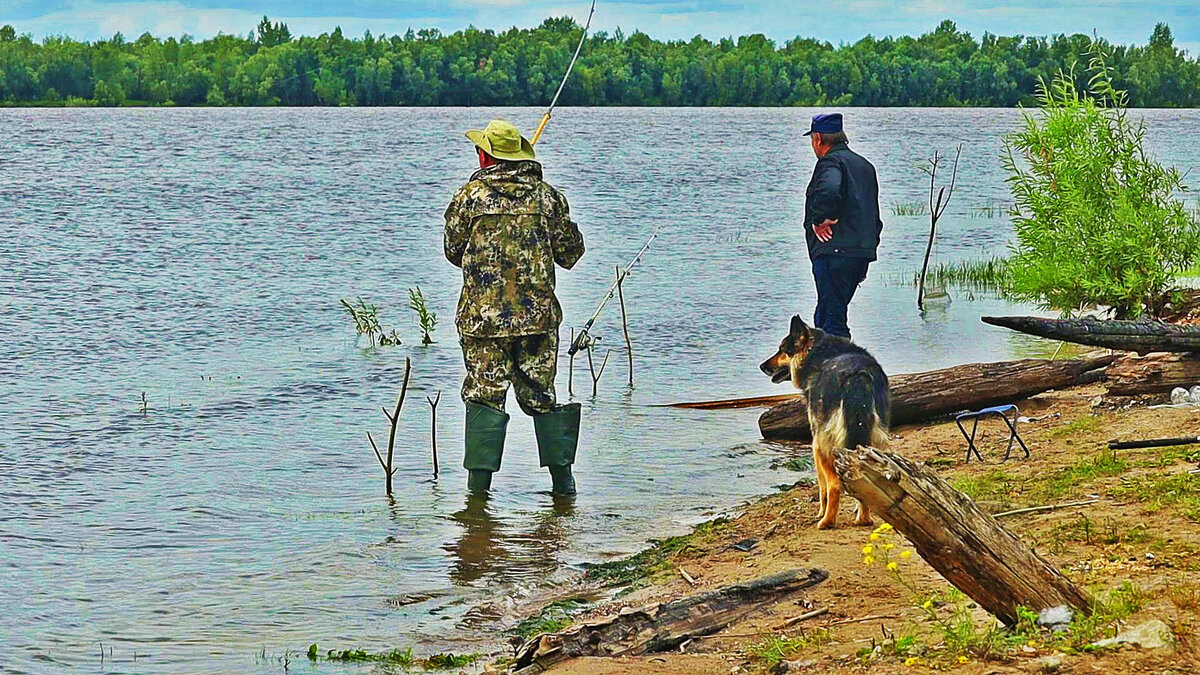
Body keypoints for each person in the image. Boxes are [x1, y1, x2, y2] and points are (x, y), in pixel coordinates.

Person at [444, 119, 585, 496]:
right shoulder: (548, 198)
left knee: (484, 400)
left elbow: (452, 253)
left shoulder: (467, 197)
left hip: (482, 324)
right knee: (543, 399)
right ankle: (564, 487)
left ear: (484, 155)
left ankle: (477, 501)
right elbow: (571, 254)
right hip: (537, 322)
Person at [802, 113, 883, 341]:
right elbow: (873, 214)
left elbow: (829, 189)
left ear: (818, 138)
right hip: (860, 253)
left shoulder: (830, 162)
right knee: (827, 314)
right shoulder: (865, 166)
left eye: (812, 140)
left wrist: (820, 219)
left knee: (831, 322)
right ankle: (831, 368)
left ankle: (840, 372)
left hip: (834, 253)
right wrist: (868, 247)